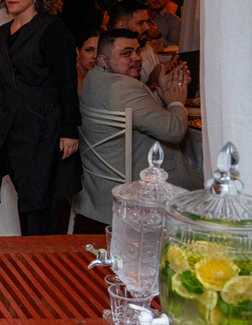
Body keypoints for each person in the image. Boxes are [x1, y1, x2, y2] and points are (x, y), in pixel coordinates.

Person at [0, 0, 82, 236]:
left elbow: (67, 83)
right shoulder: (0, 34)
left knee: (38, 197)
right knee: (26, 195)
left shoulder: (53, 30)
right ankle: (29, 259)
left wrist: (69, 130)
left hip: (43, 128)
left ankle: (42, 265)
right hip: (10, 129)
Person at [72, 29, 198, 226]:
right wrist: (176, 102)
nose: (136, 58)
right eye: (126, 53)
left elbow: (135, 112)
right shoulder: (124, 86)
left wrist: (160, 91)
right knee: (207, 181)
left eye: (137, 51)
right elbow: (174, 131)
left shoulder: (91, 80)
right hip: (130, 188)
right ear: (103, 60)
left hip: (95, 187)